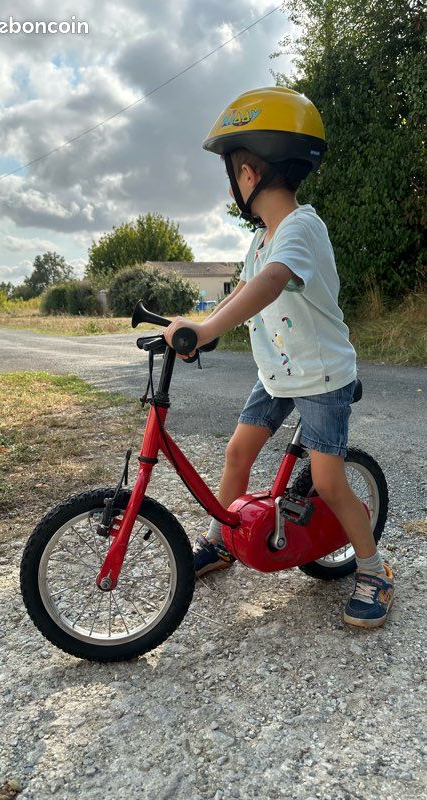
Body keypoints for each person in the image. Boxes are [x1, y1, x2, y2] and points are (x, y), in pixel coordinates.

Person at [164, 86, 394, 629]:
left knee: (330, 479)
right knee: (238, 453)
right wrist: (202, 328)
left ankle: (374, 569)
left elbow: (270, 285)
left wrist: (209, 325)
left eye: (232, 173)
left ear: (248, 175)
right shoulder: (262, 240)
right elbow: (242, 289)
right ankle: (221, 542)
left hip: (322, 374)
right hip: (278, 373)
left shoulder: (301, 228)